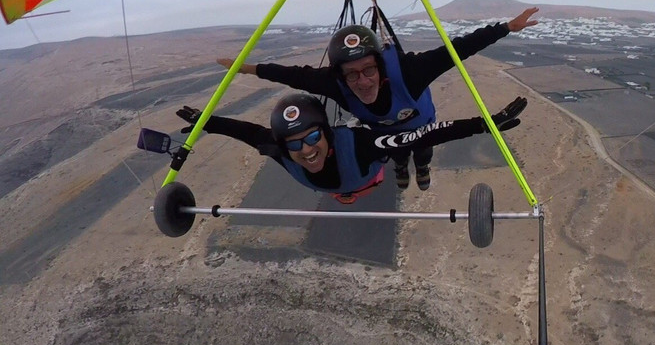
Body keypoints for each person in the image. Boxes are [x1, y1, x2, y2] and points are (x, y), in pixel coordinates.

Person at [217, 7, 540, 191]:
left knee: (419, 146)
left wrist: (506, 28)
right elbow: (290, 74)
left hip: (421, 123)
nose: (362, 81)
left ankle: (421, 169)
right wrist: (245, 69)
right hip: (383, 133)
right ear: (340, 75)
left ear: (381, 69)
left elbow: (457, 50)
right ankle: (402, 170)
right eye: (352, 75)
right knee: (395, 151)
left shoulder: (410, 72)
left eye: (368, 70)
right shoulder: (336, 83)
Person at [176, 93, 527, 204]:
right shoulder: (282, 149)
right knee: (402, 148)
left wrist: (485, 123)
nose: (306, 150)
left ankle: (413, 170)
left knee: (408, 143)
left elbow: (425, 135)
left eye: (313, 137)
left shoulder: (359, 145)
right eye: (295, 143)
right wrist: (208, 121)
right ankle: (405, 169)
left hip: (366, 168)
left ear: (327, 133)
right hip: (347, 184)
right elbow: (245, 131)